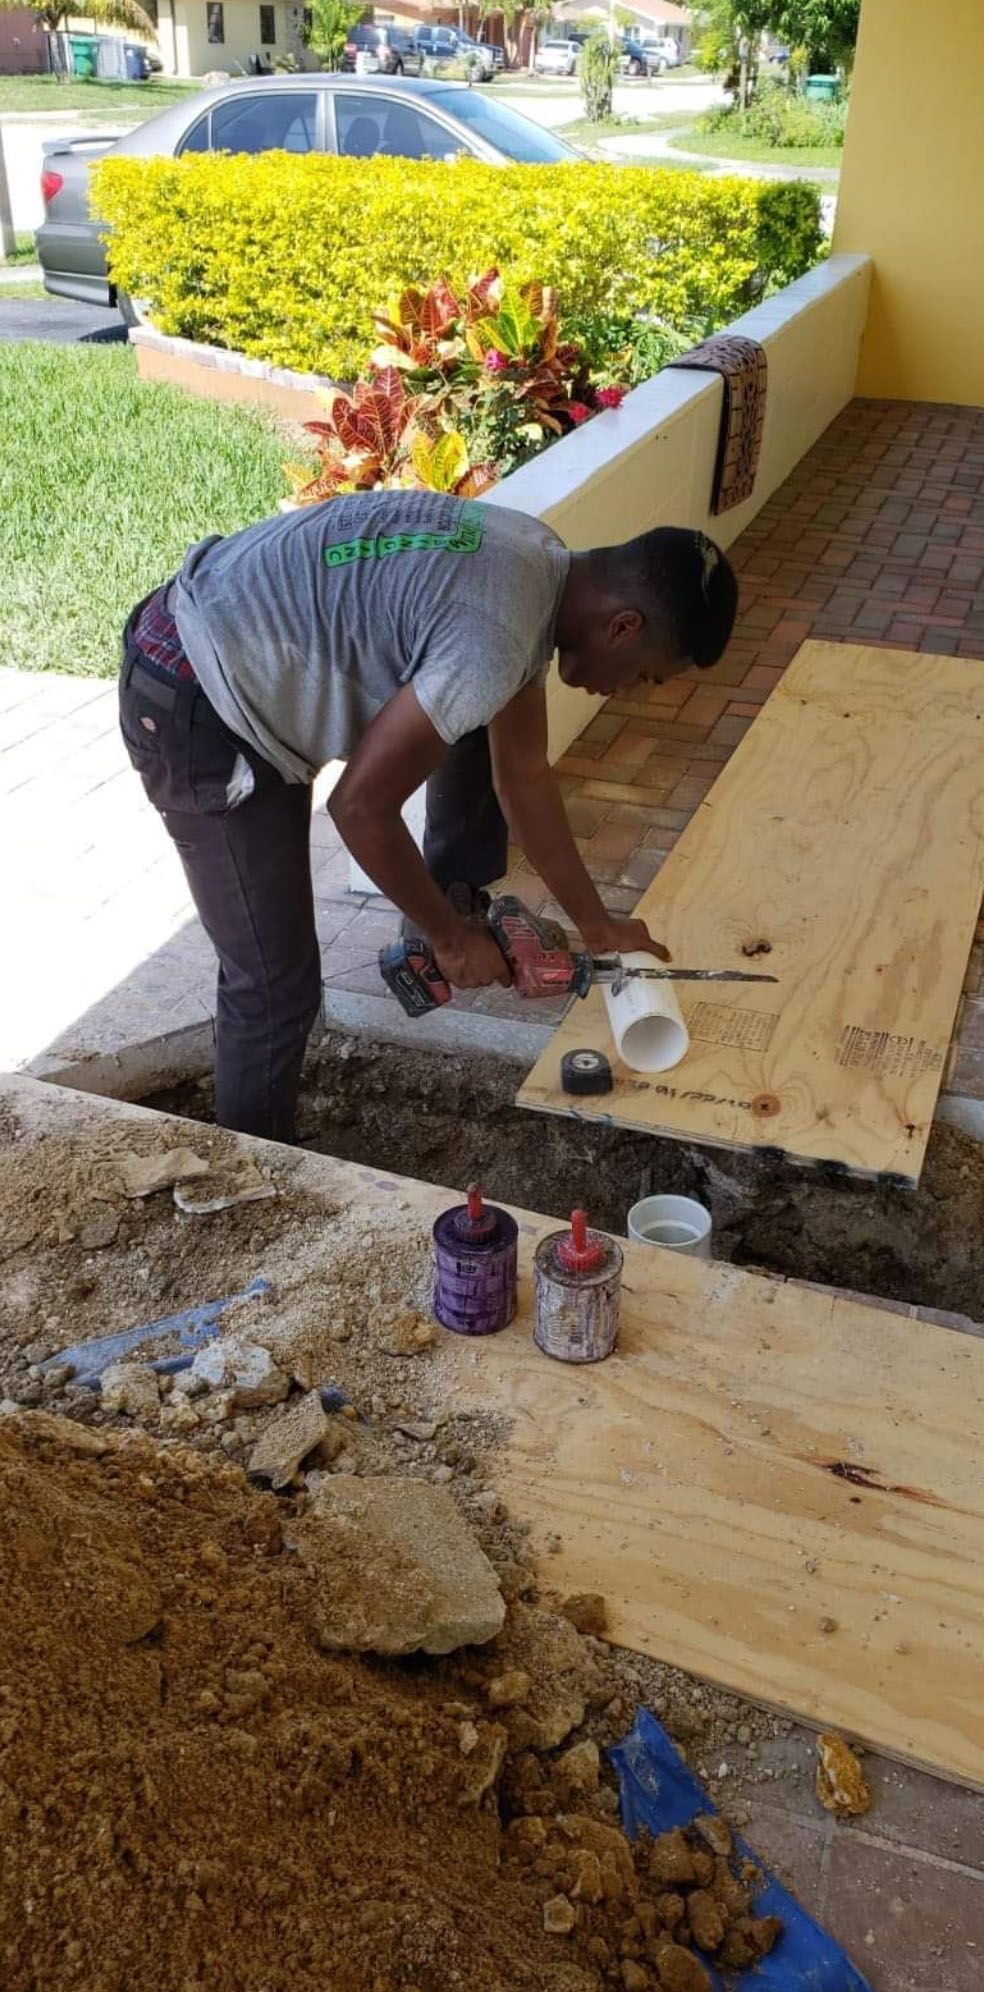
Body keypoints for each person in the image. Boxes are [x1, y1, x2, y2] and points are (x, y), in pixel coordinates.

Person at [119, 491, 738, 1142]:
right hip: (194, 692)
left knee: (460, 737)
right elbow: (358, 808)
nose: (629, 692)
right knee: (273, 987)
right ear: (623, 628)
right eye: (646, 677)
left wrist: (597, 924)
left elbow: (523, 777)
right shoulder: (494, 635)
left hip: (228, 645)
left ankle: (432, 918)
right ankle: (242, 1181)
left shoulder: (539, 559)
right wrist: (449, 937)